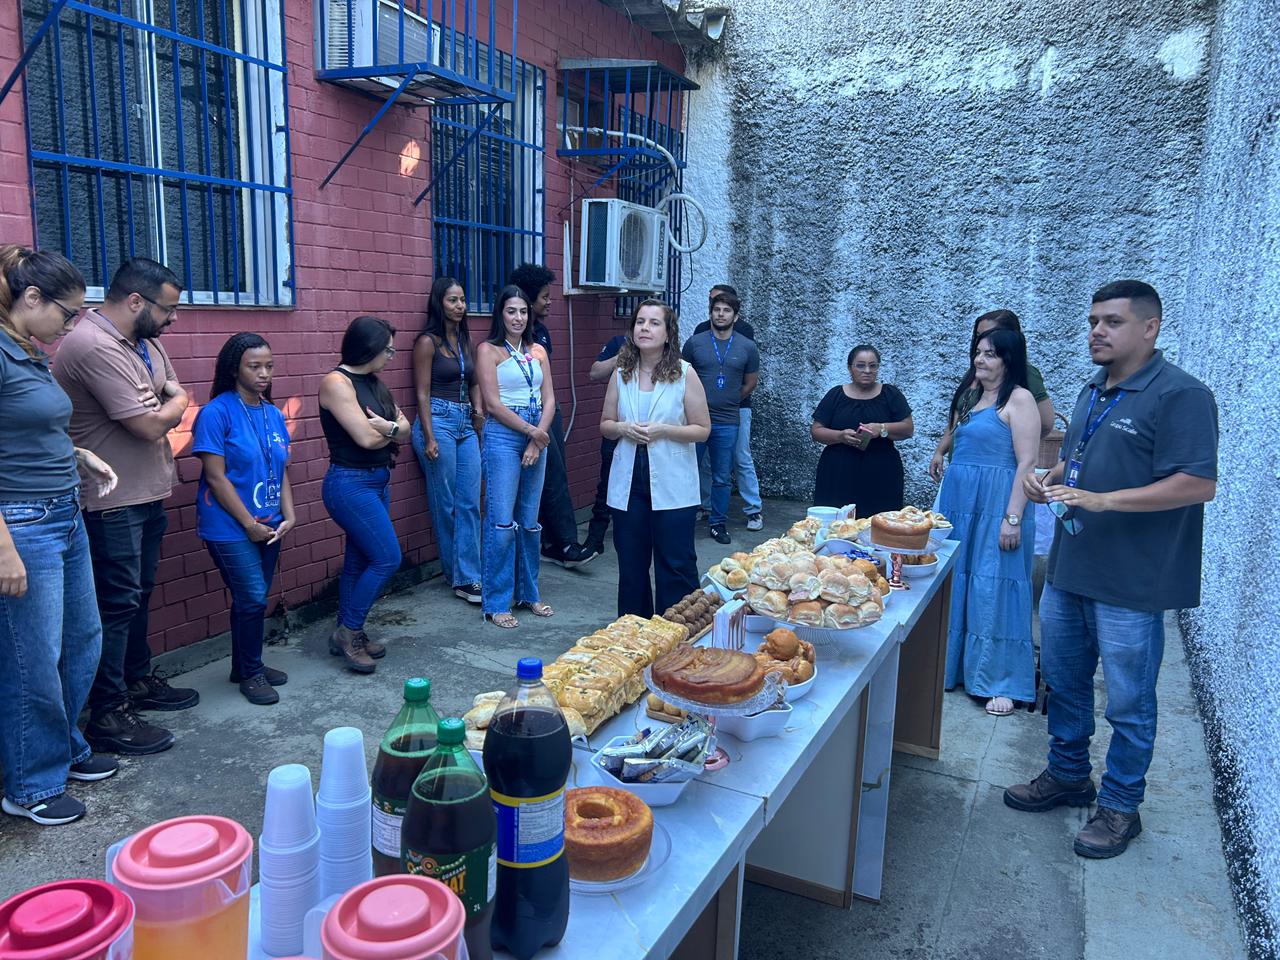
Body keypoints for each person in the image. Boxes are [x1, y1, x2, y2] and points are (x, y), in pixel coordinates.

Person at [1006, 280, 1218, 860]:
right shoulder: (1094, 389)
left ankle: (1122, 806)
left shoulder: (1181, 394)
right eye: (1094, 320)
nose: (1097, 331)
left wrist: (1105, 501)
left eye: (1113, 321)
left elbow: (1198, 483)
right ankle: (1069, 774)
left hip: (1131, 582)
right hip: (1070, 569)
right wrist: (1049, 478)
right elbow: (1079, 458)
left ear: (1150, 328)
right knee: (1064, 683)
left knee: (1128, 701)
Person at [54, 258, 198, 756]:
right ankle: (107, 714)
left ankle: (136, 681)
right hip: (110, 501)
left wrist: (168, 402)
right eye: (168, 309)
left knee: (137, 595)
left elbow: (168, 396)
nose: (173, 319)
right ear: (136, 301)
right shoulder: (92, 344)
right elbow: (149, 423)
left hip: (147, 491)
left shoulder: (145, 341)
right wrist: (174, 401)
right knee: (115, 605)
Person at [0, 246, 119, 825]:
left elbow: (26, 429)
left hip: (64, 512)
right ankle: (31, 784)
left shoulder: (27, 351)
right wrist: (3, 547)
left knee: (82, 639)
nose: (71, 326)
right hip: (22, 524)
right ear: (31, 298)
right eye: (67, 314)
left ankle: (65, 748)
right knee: (33, 659)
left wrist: (77, 455)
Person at [936, 327, 1040, 716]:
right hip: (961, 505)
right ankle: (955, 668)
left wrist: (1013, 517)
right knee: (958, 583)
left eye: (990, 354)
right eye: (978, 352)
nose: (980, 359)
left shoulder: (1020, 399)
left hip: (997, 506)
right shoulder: (972, 397)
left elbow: (1027, 462)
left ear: (1008, 360)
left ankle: (1000, 679)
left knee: (993, 587)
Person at [193, 334, 295, 705]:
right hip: (229, 525)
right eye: (254, 366)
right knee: (252, 597)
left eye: (269, 366)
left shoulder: (272, 413)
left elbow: (281, 469)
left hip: (269, 524)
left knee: (251, 598)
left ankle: (244, 665)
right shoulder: (216, 413)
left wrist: (290, 514)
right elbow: (215, 477)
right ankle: (251, 673)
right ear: (234, 368)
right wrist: (248, 524)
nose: (264, 373)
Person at [601, 299, 710, 617]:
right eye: (640, 322)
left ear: (668, 333)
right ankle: (634, 632)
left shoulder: (685, 373)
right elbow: (606, 425)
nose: (645, 328)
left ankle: (679, 631)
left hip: (673, 480)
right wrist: (623, 427)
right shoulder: (621, 373)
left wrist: (664, 430)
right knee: (631, 566)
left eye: (654, 323)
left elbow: (702, 429)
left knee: (675, 564)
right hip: (630, 480)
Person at [319, 316, 410, 674]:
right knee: (387, 557)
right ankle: (349, 631)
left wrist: (387, 427)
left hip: (377, 481)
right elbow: (366, 439)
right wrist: (391, 430)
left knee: (359, 561)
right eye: (387, 350)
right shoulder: (336, 383)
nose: (391, 356)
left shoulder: (374, 383)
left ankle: (347, 631)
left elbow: (406, 428)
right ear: (368, 348)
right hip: (349, 484)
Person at [475, 285, 556, 628]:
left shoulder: (538, 351)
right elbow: (492, 405)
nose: (518, 318)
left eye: (523, 311)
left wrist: (537, 439)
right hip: (505, 435)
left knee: (530, 521)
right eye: (511, 311)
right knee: (501, 522)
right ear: (501, 314)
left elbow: (550, 399)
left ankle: (528, 594)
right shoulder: (488, 350)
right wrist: (531, 432)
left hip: (536, 433)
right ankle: (496, 602)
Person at [509, 263, 598, 567]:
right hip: (520, 415)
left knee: (554, 473)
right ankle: (562, 543)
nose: (549, 302)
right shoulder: (510, 337)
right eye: (545, 296)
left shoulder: (542, 333)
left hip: (548, 409)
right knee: (541, 476)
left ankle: (557, 542)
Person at [412, 277, 484, 605]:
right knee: (447, 504)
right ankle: (461, 577)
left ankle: (469, 573)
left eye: (463, 300)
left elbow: (474, 383)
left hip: (465, 423)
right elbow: (422, 393)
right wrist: (428, 436)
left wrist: (478, 412)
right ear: (439, 303)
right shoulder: (427, 342)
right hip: (437, 421)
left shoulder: (465, 340)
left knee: (469, 501)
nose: (460, 306)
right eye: (452, 300)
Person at [930, 309, 1055, 482]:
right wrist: (940, 451)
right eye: (978, 335)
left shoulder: (1025, 374)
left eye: (990, 334)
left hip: (994, 475)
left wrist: (1002, 445)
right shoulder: (976, 372)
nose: (982, 340)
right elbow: (959, 418)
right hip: (961, 469)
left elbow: (1046, 423)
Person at [682, 290, 759, 545]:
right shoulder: (695, 343)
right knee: (688, 471)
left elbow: (751, 381)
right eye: (717, 310)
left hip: (727, 420)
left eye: (727, 310)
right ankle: (682, 519)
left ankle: (717, 523)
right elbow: (681, 377)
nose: (721, 314)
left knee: (722, 477)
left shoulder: (747, 346)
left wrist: (731, 399)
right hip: (695, 419)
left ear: (735, 316)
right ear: (711, 313)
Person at [810, 344, 914, 515]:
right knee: (836, 522)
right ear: (849, 368)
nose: (867, 370)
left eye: (873, 366)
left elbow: (908, 428)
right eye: (860, 365)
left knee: (880, 521)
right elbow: (816, 431)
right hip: (838, 472)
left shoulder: (890, 394)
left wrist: (881, 428)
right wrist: (840, 436)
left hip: (881, 472)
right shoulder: (835, 395)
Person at [584, 321, 631, 555]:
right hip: (616, 427)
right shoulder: (618, 344)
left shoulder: (665, 353)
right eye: (640, 322)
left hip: (647, 431)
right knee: (607, 484)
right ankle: (595, 540)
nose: (644, 329)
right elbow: (594, 372)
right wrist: (620, 357)